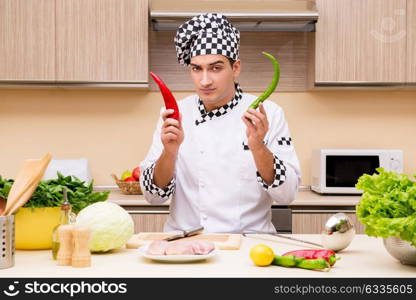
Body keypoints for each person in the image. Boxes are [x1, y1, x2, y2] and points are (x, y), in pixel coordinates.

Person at [140, 13, 301, 233]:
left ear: (235, 68)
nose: (205, 81)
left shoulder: (269, 113)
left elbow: (287, 194)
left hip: (248, 246)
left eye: (216, 68)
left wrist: (258, 146)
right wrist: (169, 152)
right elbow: (153, 196)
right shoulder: (175, 114)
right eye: (197, 68)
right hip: (186, 243)